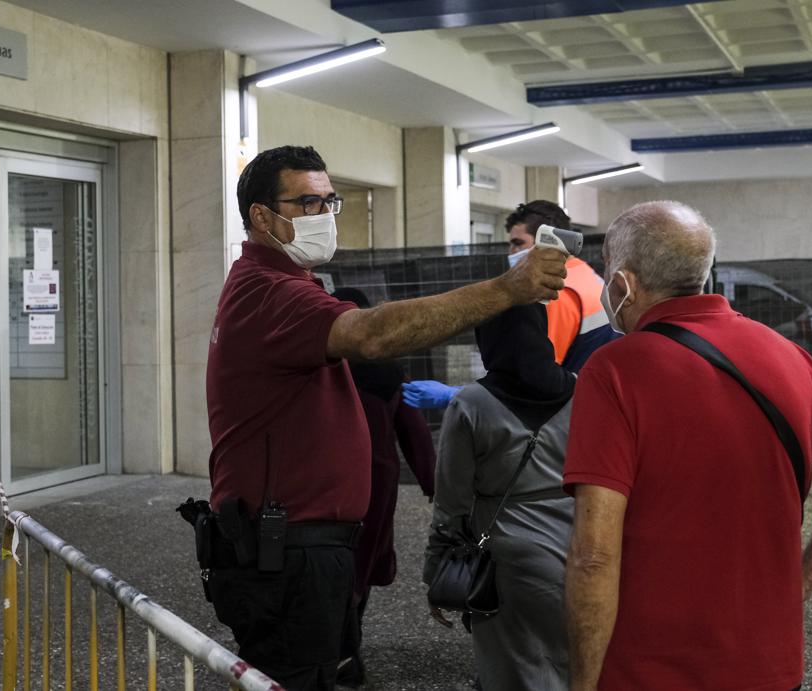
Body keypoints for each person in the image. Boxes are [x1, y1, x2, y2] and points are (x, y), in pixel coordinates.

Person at [204, 145, 566, 691]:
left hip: (304, 542)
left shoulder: (289, 284)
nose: (324, 215)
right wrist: (505, 289)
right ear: (261, 215)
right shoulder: (269, 292)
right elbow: (372, 335)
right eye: (307, 203)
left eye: (331, 202)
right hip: (286, 546)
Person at [562, 201, 812, 691]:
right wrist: (803, 578)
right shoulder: (783, 353)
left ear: (623, 285)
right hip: (769, 666)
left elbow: (592, 555)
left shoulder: (614, 370)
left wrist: (583, 684)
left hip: (648, 669)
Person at [423, 303, 577, 690]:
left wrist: (436, 572)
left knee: (512, 670)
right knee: (574, 663)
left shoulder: (472, 403)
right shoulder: (583, 388)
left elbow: (452, 500)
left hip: (507, 556)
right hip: (580, 546)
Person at [403, 200, 614, 410]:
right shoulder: (585, 274)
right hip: (596, 404)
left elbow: (539, 383)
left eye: (518, 243)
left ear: (549, 241)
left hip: (570, 417)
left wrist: (456, 396)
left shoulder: (555, 291)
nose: (511, 252)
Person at [330, 287, 437, 687]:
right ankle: (349, 645)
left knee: (334, 560)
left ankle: (341, 649)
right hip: (378, 483)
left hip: (331, 483)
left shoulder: (325, 366)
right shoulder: (389, 369)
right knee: (363, 561)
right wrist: (431, 480)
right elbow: (414, 432)